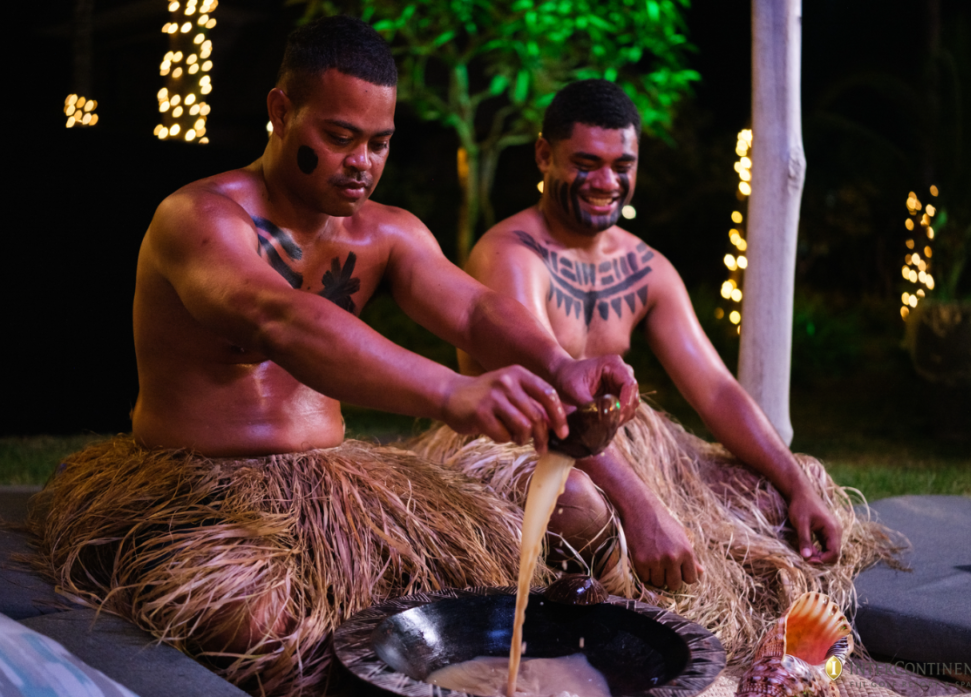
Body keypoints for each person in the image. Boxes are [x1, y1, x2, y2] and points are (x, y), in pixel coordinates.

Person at [28, 21, 638, 697]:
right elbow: (281, 319)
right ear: (281, 112)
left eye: (379, 143)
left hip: (336, 485)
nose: (362, 162)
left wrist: (561, 364)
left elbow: (471, 309)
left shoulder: (388, 232)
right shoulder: (200, 218)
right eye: (340, 137)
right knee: (263, 623)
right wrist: (451, 391)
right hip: (196, 490)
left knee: (551, 530)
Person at [409, 79, 898, 658]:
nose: (606, 183)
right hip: (522, 443)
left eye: (622, 165)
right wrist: (642, 509)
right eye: (585, 164)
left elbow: (715, 390)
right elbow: (551, 398)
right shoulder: (510, 256)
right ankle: (606, 621)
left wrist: (793, 482)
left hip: (617, 446)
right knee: (577, 503)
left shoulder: (645, 267)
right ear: (544, 155)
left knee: (773, 492)